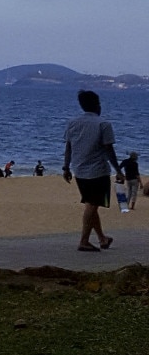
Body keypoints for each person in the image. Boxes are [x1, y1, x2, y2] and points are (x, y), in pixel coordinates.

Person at [65, 89, 122, 250]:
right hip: (98, 171)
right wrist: (118, 170)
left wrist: (66, 167)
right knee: (92, 205)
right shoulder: (103, 124)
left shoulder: (72, 123)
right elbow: (109, 150)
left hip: (79, 171)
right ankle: (84, 241)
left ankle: (102, 238)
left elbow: (68, 147)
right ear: (97, 105)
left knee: (91, 204)